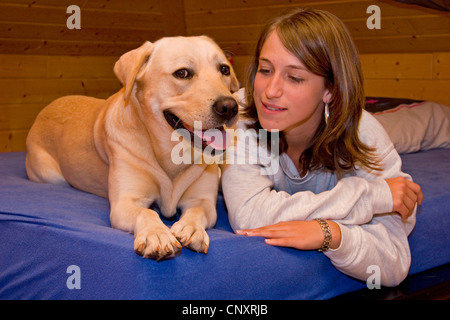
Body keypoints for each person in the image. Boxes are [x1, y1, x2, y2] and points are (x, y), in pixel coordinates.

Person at [221, 8, 423, 286]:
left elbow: (394, 262)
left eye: (294, 77)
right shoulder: (240, 115)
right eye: (265, 70)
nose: (270, 91)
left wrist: (330, 234)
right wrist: (371, 197)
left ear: (330, 89)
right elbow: (249, 214)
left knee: (420, 126)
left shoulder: (364, 135)